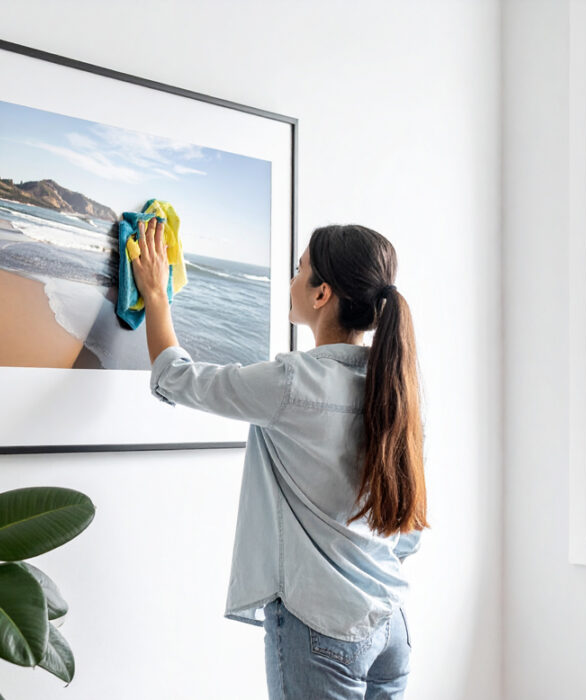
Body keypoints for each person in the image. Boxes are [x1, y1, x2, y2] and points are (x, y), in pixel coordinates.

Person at [130, 217, 429, 700]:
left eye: (300, 269)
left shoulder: (293, 384)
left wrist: (156, 296)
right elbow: (408, 530)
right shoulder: (395, 387)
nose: (291, 280)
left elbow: (176, 379)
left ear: (321, 294)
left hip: (322, 626)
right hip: (390, 623)